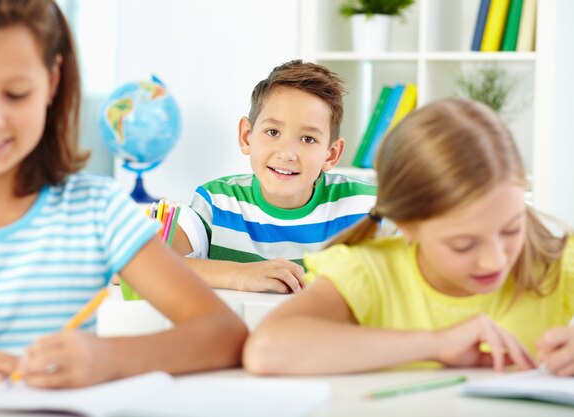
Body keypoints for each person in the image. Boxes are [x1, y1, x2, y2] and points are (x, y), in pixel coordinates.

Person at [0, 0, 247, 388]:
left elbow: (225, 333)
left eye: (17, 93)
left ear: (52, 81)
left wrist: (111, 358)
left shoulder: (96, 210)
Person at [243, 98, 574, 376]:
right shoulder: (368, 272)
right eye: (463, 244)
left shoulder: (559, 264)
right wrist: (438, 344)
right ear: (407, 224)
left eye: (512, 229)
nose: (496, 259)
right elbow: (267, 350)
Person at [172, 60, 377, 294]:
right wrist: (238, 274)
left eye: (308, 139)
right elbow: (130, 266)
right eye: (273, 132)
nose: (287, 154)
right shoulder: (217, 203)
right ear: (247, 136)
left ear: (331, 154)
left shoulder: (365, 206)